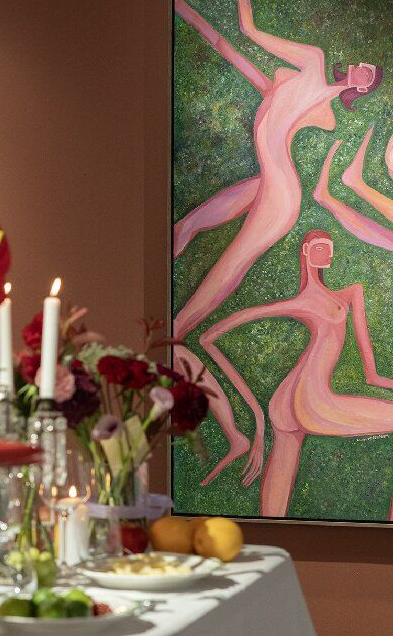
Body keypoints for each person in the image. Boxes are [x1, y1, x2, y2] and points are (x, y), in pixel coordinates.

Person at [172, 0, 383, 483]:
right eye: (366, 71)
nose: (367, 74)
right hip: (261, 186)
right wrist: (189, 13)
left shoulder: (326, 111)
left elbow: (249, 44)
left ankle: (227, 421)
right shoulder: (305, 64)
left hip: (279, 195)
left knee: (209, 295)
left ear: (360, 88)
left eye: (369, 81)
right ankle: (180, 343)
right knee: (183, 232)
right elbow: (242, 35)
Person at [201, 230, 393, 517]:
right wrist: (255, 414)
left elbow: (372, 376)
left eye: (329, 248)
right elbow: (208, 338)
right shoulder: (299, 303)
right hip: (311, 400)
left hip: (286, 404)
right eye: (318, 248)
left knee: (274, 508)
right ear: (305, 253)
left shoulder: (351, 294)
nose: (326, 253)